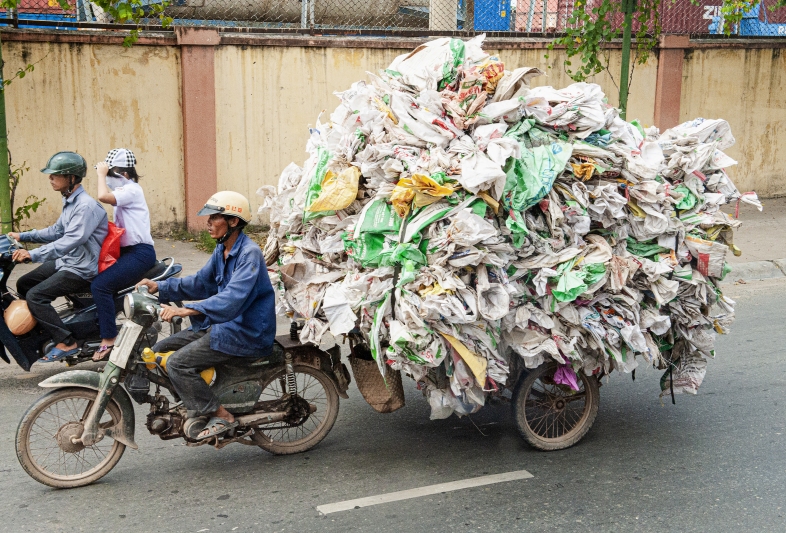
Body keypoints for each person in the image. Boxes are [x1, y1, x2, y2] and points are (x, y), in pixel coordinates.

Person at [136, 191, 276, 441]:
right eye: (209, 218)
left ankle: (222, 414)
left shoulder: (249, 254)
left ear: (233, 221)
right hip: (222, 324)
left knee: (178, 363)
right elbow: (201, 282)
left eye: (215, 218)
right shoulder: (222, 250)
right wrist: (161, 287)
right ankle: (197, 400)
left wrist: (186, 309)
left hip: (245, 332)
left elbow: (232, 299)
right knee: (159, 350)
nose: (209, 223)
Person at [9, 151, 108, 362]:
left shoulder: (86, 206)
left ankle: (66, 341)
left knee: (36, 296)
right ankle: (46, 330)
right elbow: (56, 231)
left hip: (81, 268)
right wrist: (23, 235)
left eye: (55, 174)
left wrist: (32, 254)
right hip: (67, 261)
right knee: (24, 284)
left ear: (71, 178)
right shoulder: (71, 201)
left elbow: (69, 241)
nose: (50, 178)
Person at [91, 148, 156, 361]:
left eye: (111, 175)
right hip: (127, 252)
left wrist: (101, 174)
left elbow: (102, 196)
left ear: (125, 174)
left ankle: (109, 338)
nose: (107, 179)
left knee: (101, 285)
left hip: (140, 253)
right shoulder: (125, 191)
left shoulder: (132, 190)